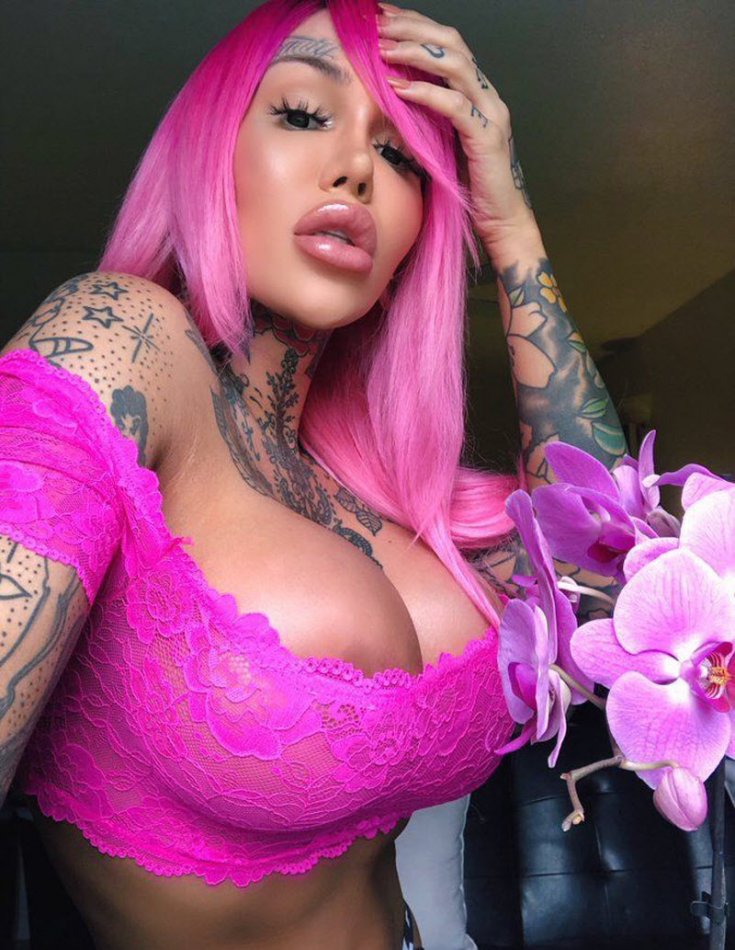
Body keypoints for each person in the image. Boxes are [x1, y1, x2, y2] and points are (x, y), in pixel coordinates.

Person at [0, 0, 624, 947]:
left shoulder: (380, 498)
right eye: (301, 112)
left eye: (402, 158)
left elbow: (610, 580)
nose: (356, 169)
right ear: (209, 156)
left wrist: (510, 227)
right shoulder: (119, 343)